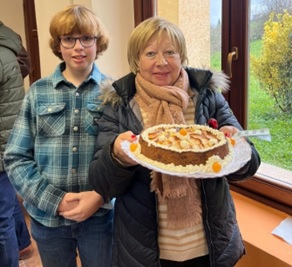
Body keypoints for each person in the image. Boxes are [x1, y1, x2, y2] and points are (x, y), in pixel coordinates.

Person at [88, 17, 261, 267]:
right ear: (136, 59)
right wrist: (116, 156)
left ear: (182, 56)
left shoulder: (206, 96)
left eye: (171, 52)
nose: (161, 62)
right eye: (150, 53)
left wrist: (235, 146)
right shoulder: (120, 104)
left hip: (208, 245)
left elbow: (251, 163)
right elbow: (101, 183)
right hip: (146, 251)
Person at [4, 5, 114, 267]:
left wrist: (99, 196)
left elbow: (123, 158)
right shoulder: (38, 92)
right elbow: (16, 157)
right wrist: (55, 200)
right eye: (69, 38)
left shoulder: (113, 93)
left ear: (98, 43)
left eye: (87, 38)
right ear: (58, 44)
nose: (78, 46)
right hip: (48, 220)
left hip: (99, 219)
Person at [0, 21, 34, 266]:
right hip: (10, 138)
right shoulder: (9, 42)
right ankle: (23, 245)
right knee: (7, 199)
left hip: (2, 140)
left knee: (0, 220)